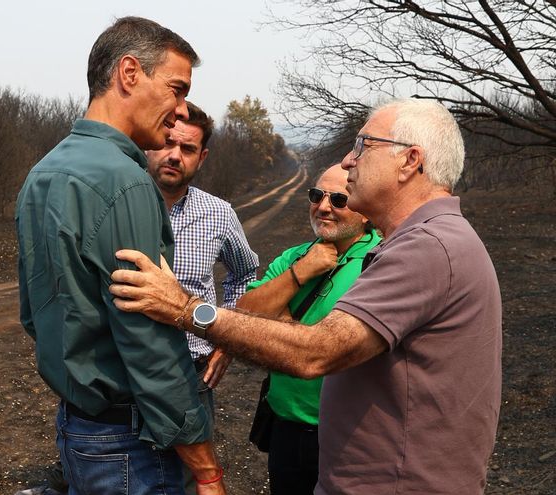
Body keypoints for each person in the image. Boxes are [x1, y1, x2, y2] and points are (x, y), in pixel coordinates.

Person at [109, 98, 501, 494]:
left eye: (364, 145)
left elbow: (317, 351)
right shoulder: (422, 241)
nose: (349, 161)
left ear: (410, 161)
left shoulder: (428, 247)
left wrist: (184, 308)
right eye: (317, 194)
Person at [15, 16, 226, 495]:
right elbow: (148, 341)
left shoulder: (43, 172)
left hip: (77, 429)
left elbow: (33, 313)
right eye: (175, 89)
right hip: (130, 443)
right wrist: (205, 465)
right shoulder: (124, 181)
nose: (179, 109)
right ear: (129, 73)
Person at [238, 164, 381, 494]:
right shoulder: (295, 256)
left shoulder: (381, 260)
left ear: (365, 211)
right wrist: (300, 272)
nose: (323, 206)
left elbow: (334, 343)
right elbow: (244, 315)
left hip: (350, 436)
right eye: (316, 195)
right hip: (285, 428)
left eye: (339, 199)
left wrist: (281, 318)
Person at [146, 100, 258, 493]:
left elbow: (244, 274)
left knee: (189, 479)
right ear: (151, 142)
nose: (174, 155)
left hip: (192, 373)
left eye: (188, 149)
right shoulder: (121, 205)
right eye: (168, 143)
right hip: (129, 369)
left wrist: (225, 336)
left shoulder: (219, 213)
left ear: (202, 156)